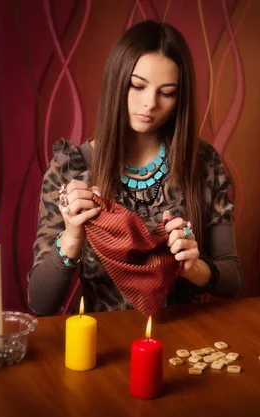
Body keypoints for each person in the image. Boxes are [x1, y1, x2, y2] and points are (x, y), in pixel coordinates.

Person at [27, 20, 243, 316]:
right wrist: (72, 237)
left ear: (180, 98)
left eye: (166, 92)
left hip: (183, 341)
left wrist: (195, 269)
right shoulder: (71, 169)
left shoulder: (202, 163)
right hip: (104, 345)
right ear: (117, 82)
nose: (149, 103)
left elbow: (232, 281)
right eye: (137, 86)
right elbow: (41, 303)